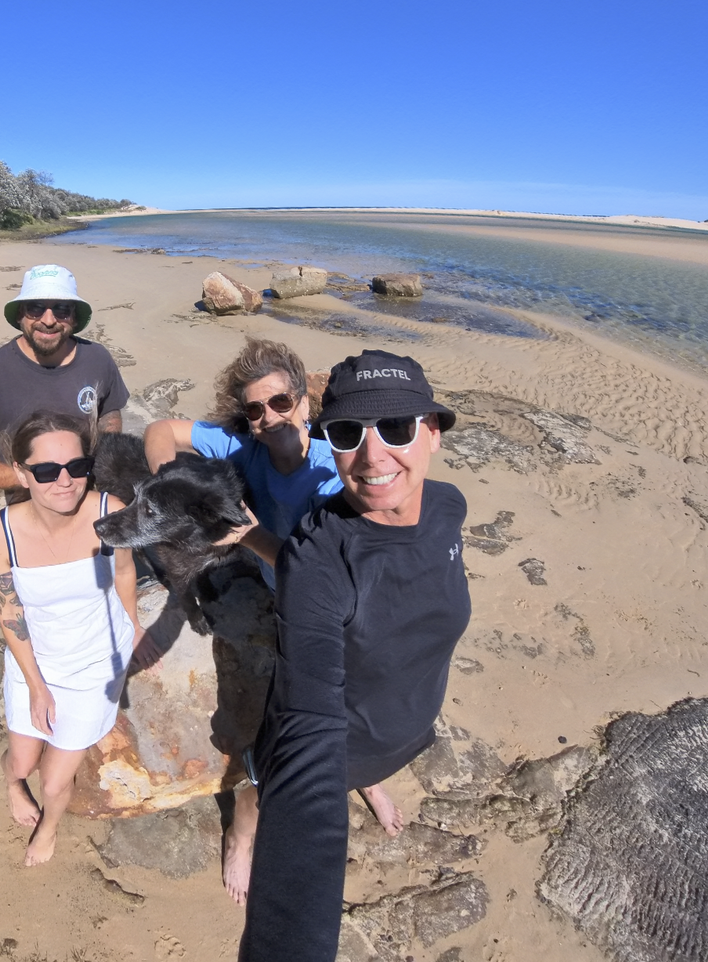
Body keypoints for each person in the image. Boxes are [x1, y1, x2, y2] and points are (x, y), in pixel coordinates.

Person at [237, 351, 471, 961]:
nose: (372, 456)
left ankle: (369, 782)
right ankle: (242, 826)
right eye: (347, 434)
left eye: (395, 427)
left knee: (369, 767)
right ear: (329, 443)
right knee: (268, 789)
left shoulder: (449, 509)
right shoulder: (319, 560)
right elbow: (310, 726)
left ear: (433, 433)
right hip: (337, 737)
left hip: (405, 726)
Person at [142, 336, 343, 902]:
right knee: (289, 715)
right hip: (278, 596)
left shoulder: (330, 472)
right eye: (255, 409)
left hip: (319, 595)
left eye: (281, 403)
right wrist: (168, 484)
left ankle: (368, 777)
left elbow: (316, 570)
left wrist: (248, 535)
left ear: (304, 401)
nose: (269, 417)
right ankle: (246, 822)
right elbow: (161, 429)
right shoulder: (243, 442)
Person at [0, 408, 143, 866]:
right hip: (34, 661)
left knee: (54, 783)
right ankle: (13, 785)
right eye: (47, 471)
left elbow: (126, 571)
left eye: (76, 467)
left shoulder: (112, 512)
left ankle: (48, 828)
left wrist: (131, 626)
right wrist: (36, 687)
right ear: (20, 472)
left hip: (95, 665)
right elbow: (9, 613)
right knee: (22, 763)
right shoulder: (2, 533)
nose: (65, 481)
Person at [0, 264, 130, 495]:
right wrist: (40, 479)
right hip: (29, 503)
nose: (48, 320)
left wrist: (103, 461)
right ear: (19, 315)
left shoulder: (98, 358)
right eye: (35, 308)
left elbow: (109, 410)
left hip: (91, 495)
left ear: (74, 317)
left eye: (62, 309)